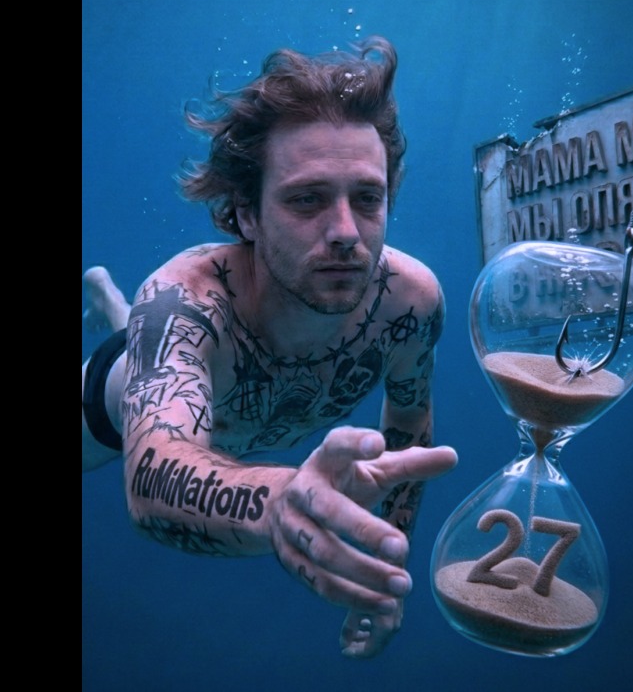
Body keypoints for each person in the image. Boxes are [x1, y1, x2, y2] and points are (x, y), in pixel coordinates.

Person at [82, 35, 458, 659]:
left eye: (367, 198)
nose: (346, 233)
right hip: (117, 406)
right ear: (247, 214)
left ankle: (108, 301)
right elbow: (149, 478)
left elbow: (409, 423)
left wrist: (382, 568)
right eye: (307, 199)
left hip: (213, 406)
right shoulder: (183, 302)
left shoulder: (411, 304)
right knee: (134, 362)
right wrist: (280, 505)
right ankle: (114, 313)